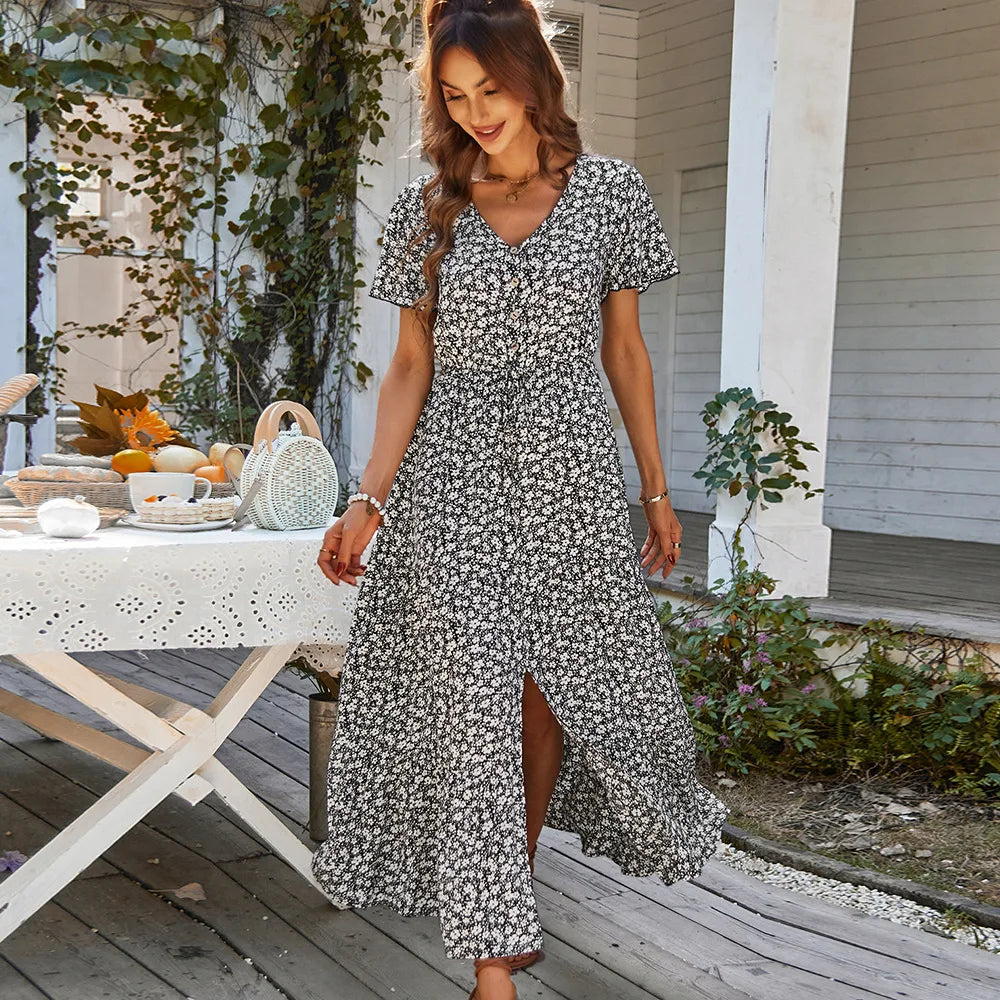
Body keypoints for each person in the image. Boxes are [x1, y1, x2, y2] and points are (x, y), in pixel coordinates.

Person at [311, 1, 730, 997]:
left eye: (489, 89)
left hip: (571, 479)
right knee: (475, 696)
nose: (475, 113)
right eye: (455, 97)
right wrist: (368, 498)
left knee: (548, 695)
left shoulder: (611, 193)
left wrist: (656, 488)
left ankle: (508, 894)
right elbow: (409, 365)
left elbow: (624, 352)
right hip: (451, 479)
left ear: (535, 73)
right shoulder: (429, 210)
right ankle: (493, 965)